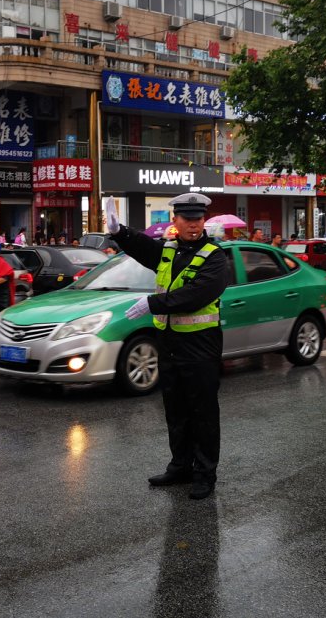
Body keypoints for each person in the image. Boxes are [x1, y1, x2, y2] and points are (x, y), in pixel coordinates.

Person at [106, 193, 232, 500]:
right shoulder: (169, 249)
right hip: (170, 344)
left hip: (201, 346)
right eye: (187, 219)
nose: (193, 225)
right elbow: (143, 248)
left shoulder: (215, 256)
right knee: (175, 410)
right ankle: (181, 467)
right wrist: (117, 231)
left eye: (198, 219)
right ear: (174, 220)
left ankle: (204, 474)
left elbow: (196, 295)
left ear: (204, 221)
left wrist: (152, 303)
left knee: (202, 412)